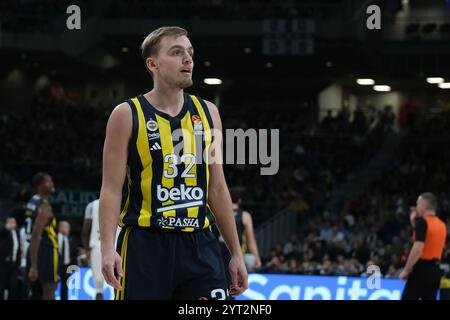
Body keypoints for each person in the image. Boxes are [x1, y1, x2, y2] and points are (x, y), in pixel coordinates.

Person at [99, 26, 247, 300]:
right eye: (177, 53)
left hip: (200, 244)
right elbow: (110, 189)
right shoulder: (127, 114)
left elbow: (217, 188)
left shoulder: (208, 113)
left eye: (189, 52)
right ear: (152, 64)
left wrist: (236, 253)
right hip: (146, 244)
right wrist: (107, 248)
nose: (188, 59)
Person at [400, 192, 447, 300]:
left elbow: (418, 248)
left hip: (421, 270)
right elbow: (429, 240)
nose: (416, 207)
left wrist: (407, 270)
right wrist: (413, 223)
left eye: (418, 204)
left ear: (424, 206)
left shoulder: (423, 222)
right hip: (435, 271)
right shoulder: (442, 225)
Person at [215, 188, 262, 288]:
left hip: (216, 253)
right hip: (235, 254)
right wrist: (257, 258)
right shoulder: (245, 216)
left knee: (217, 285)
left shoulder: (218, 212)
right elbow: (250, 241)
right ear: (239, 200)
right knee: (232, 286)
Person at [27, 172, 58, 300]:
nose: (52, 184)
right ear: (40, 186)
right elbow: (35, 236)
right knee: (49, 288)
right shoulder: (43, 207)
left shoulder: (32, 202)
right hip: (45, 250)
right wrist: (33, 266)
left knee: (37, 292)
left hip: (35, 250)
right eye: (48, 181)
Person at [83, 198, 120, 300]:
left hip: (97, 246)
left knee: (98, 286)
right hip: (116, 246)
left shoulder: (92, 205)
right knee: (119, 280)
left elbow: (85, 230)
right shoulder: (120, 202)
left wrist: (87, 249)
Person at [0, 217, 20, 299]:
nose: (12, 224)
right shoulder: (3, 232)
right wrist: (6, 228)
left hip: (14, 263)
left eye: (14, 222)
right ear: (6, 223)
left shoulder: (17, 233)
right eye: (10, 222)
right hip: (3, 264)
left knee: (13, 286)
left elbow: (17, 247)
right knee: (1, 285)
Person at [57, 220, 77, 300]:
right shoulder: (54, 238)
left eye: (67, 227)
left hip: (67, 267)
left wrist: (74, 267)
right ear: (59, 228)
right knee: (52, 286)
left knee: (65, 287)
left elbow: (74, 254)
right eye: (64, 227)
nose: (66, 229)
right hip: (56, 265)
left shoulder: (72, 239)